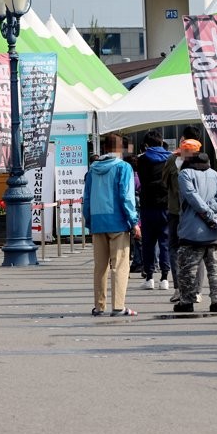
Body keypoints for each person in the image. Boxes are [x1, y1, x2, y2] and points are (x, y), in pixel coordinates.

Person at [83, 133, 141, 317]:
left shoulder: (92, 169)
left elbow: (87, 198)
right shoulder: (124, 168)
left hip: (98, 222)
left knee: (100, 266)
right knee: (120, 265)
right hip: (118, 222)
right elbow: (126, 196)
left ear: (104, 148)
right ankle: (118, 306)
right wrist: (134, 222)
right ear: (120, 149)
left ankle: (99, 306)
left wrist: (89, 220)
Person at [174, 151, 217, 313]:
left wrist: (206, 214)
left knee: (187, 269)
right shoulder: (215, 174)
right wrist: (212, 212)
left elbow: (192, 197)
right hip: (214, 230)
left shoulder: (185, 174)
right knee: (215, 269)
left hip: (192, 230)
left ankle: (187, 301)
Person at [162, 126, 204, 303]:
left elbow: (164, 183)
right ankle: (194, 289)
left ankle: (182, 289)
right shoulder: (202, 160)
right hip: (189, 212)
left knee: (181, 249)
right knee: (195, 249)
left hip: (179, 212)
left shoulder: (173, 160)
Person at [137, 130, 173, 290]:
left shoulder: (142, 160)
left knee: (148, 243)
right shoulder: (170, 159)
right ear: (161, 142)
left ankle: (149, 277)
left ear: (146, 144)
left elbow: (142, 181)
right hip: (166, 205)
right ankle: (165, 277)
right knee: (165, 242)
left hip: (147, 205)